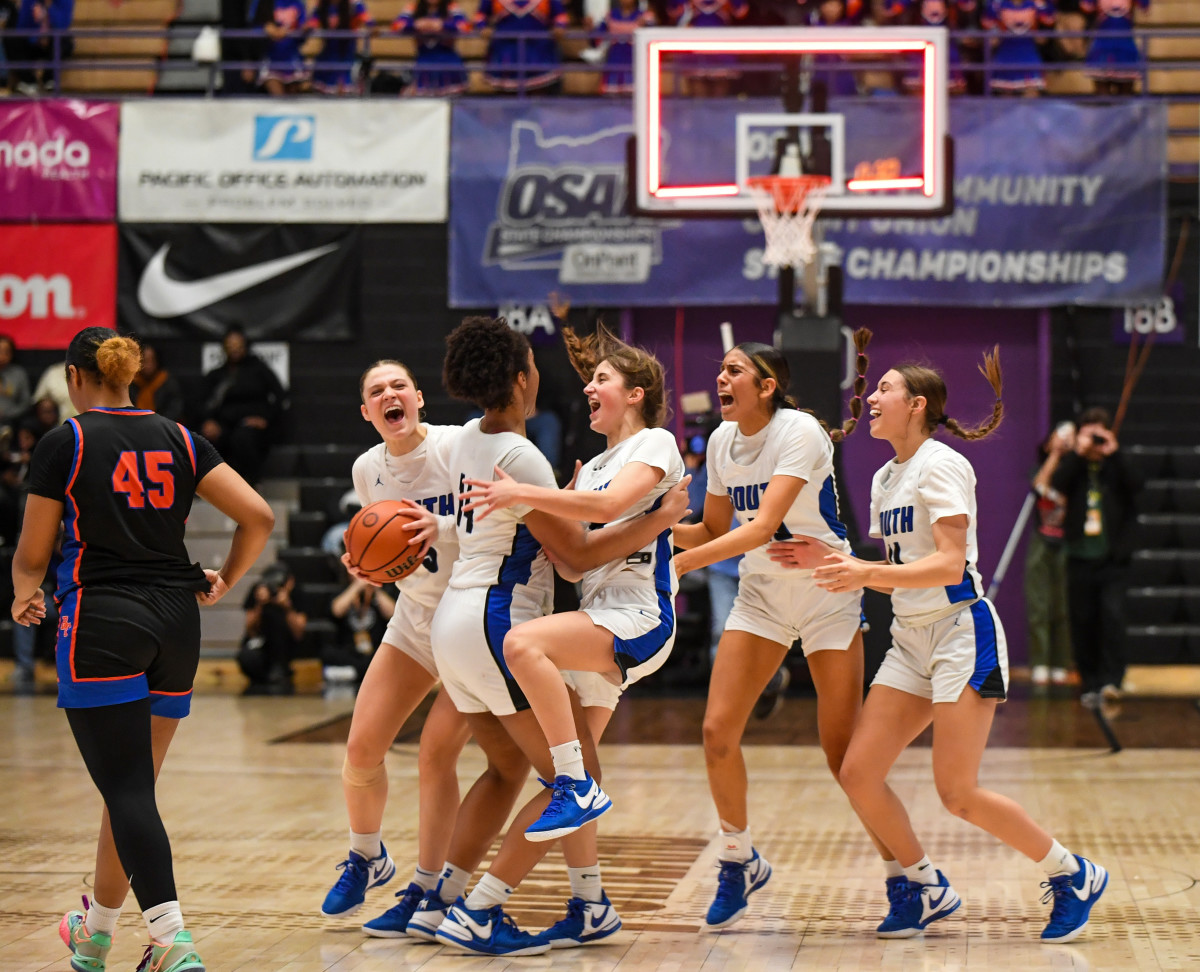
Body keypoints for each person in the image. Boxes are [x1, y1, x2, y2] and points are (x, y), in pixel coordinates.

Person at [773, 348, 1108, 944]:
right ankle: (926, 885)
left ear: (917, 405)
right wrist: (835, 562)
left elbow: (950, 564)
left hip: (959, 633)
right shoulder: (883, 476)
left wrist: (863, 573)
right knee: (858, 773)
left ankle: (1072, 872)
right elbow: (900, 562)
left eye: (885, 389)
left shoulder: (942, 464)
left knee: (958, 793)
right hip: (909, 640)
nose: (870, 398)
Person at [12, 327, 274, 972]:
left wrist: (24, 593)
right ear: (127, 375)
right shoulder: (182, 438)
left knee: (127, 791)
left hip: (102, 619)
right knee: (130, 791)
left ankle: (169, 939)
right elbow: (259, 517)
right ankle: (96, 933)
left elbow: (32, 554)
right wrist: (226, 580)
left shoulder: (65, 440)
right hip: (176, 623)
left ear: (76, 377)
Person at [428, 316, 690, 955]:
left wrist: (530, 493)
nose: (588, 388)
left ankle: (478, 908)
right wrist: (559, 499)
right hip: (593, 621)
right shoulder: (593, 464)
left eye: (602, 378)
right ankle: (590, 902)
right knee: (573, 781)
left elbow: (601, 516)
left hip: (636, 618)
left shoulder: (653, 442)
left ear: (636, 393)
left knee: (527, 648)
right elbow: (576, 560)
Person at [669, 333, 878, 930]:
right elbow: (712, 528)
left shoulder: (800, 431)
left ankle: (906, 875)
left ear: (768, 386)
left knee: (844, 757)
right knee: (716, 732)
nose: (721, 379)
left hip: (826, 589)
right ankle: (738, 858)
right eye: (721, 370)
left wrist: (681, 565)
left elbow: (762, 526)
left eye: (734, 371)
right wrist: (652, 527)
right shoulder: (719, 441)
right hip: (762, 594)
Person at [320, 359, 532, 941]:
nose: (389, 395)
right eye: (375, 391)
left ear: (418, 398)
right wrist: (367, 563)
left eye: (397, 386)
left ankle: (429, 887)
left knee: (435, 757)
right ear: (367, 413)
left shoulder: (459, 445)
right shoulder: (369, 470)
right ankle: (367, 855)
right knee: (361, 749)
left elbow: (498, 518)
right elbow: (389, 552)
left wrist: (431, 528)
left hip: (470, 621)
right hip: (416, 622)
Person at [1051, 406, 1140, 706]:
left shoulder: (1116, 465)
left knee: (1113, 617)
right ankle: (1089, 682)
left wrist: (1113, 452)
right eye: (1089, 434)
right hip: (1079, 556)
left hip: (1113, 559)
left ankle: (1113, 680)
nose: (1095, 442)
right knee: (1082, 620)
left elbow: (1138, 485)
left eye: (1099, 434)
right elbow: (1057, 484)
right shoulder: (1074, 467)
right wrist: (1078, 452)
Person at [201, 326, 287, 487]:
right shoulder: (217, 375)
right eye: (230, 345)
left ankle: (250, 486)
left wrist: (265, 419)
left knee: (242, 438)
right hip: (224, 424)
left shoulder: (259, 370)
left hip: (250, 426)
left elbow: (281, 396)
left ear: (245, 346)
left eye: (238, 345)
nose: (234, 349)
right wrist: (208, 421)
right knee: (205, 440)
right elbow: (201, 402)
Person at [1025, 423, 1074, 690]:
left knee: (1063, 605)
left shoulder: (1075, 472)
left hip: (1067, 543)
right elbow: (1039, 486)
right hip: (1042, 540)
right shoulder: (1042, 468)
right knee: (1039, 604)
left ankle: (1061, 662)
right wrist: (1054, 454)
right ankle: (1040, 661)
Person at [237, 562, 307, 695]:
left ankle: (280, 669)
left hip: (286, 647)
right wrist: (260, 604)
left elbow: (299, 633)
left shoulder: (296, 592)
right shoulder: (257, 591)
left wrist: (287, 607)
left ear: (290, 582)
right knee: (247, 657)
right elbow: (250, 630)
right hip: (260, 644)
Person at [474, 0, 568, 94]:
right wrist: (482, 27)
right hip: (505, 50)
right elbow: (480, 16)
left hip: (539, 50)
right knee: (507, 98)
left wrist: (560, 27)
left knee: (540, 95)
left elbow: (560, 16)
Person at [394, 0, 471, 95]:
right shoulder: (413, 8)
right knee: (426, 104)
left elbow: (465, 27)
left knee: (451, 103)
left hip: (448, 62)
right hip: (424, 62)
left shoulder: (452, 7)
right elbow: (397, 26)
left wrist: (443, 25)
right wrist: (415, 24)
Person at [1081, 0, 1148, 96]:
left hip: (1125, 47)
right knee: (1103, 96)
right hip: (1102, 48)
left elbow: (1145, 7)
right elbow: (1086, 6)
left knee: (1125, 97)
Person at [309, 0, 372, 94]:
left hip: (347, 55)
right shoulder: (321, 4)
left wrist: (371, 27)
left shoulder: (354, 4)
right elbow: (311, 23)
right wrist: (306, 27)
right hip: (327, 55)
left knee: (345, 93)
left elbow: (369, 21)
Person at [130, 343, 186, 425]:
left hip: (162, 427)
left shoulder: (167, 382)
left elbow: (174, 410)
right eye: (145, 361)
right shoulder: (130, 384)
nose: (148, 365)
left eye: (152, 361)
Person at [0, 334, 31, 439]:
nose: (2, 356)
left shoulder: (18, 374)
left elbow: (26, 402)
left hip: (12, 421)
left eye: (6, 352)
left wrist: (9, 413)